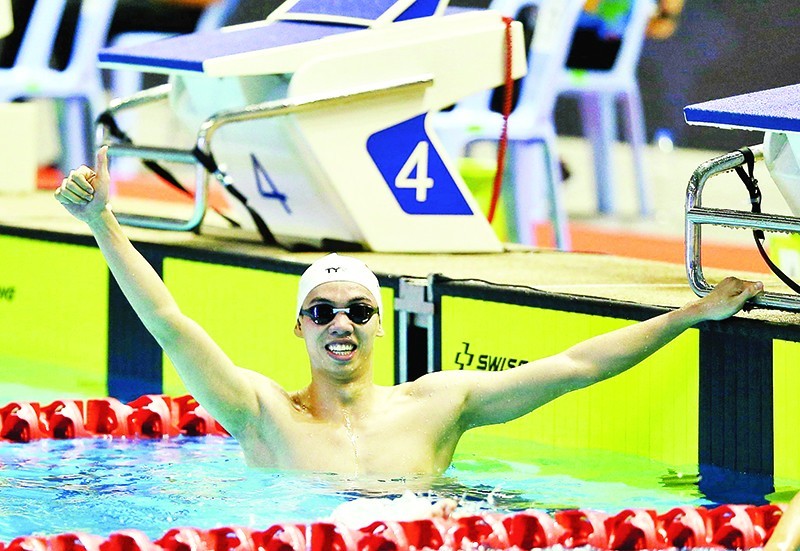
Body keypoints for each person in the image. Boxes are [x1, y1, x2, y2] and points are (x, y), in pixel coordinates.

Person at [54, 147, 764, 477]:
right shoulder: (258, 412)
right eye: (323, 310)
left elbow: (574, 366)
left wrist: (686, 315)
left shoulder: (438, 402)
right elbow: (170, 321)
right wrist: (103, 224)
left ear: (379, 321)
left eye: (358, 308)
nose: (341, 322)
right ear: (299, 325)